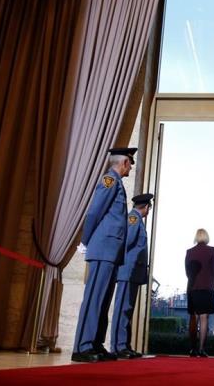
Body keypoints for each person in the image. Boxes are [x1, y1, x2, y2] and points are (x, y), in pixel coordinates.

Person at [72, 147, 136, 363]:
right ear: (124, 163)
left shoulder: (117, 183)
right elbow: (94, 212)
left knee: (103, 300)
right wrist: (85, 241)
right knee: (94, 298)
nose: (130, 169)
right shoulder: (109, 180)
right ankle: (82, 346)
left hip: (111, 251)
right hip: (103, 249)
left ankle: (96, 343)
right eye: (130, 164)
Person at [110, 192, 153, 359]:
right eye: (149, 208)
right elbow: (126, 242)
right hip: (128, 271)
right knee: (123, 308)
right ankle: (118, 346)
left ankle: (125, 344)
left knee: (127, 309)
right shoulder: (134, 219)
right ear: (146, 207)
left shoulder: (137, 220)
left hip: (133, 272)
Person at [185, 228, 214, 357]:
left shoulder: (189, 252)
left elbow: (187, 272)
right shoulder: (212, 250)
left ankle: (192, 349)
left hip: (193, 287)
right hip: (207, 287)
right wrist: (212, 283)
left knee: (193, 317)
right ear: (206, 237)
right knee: (204, 318)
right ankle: (201, 349)